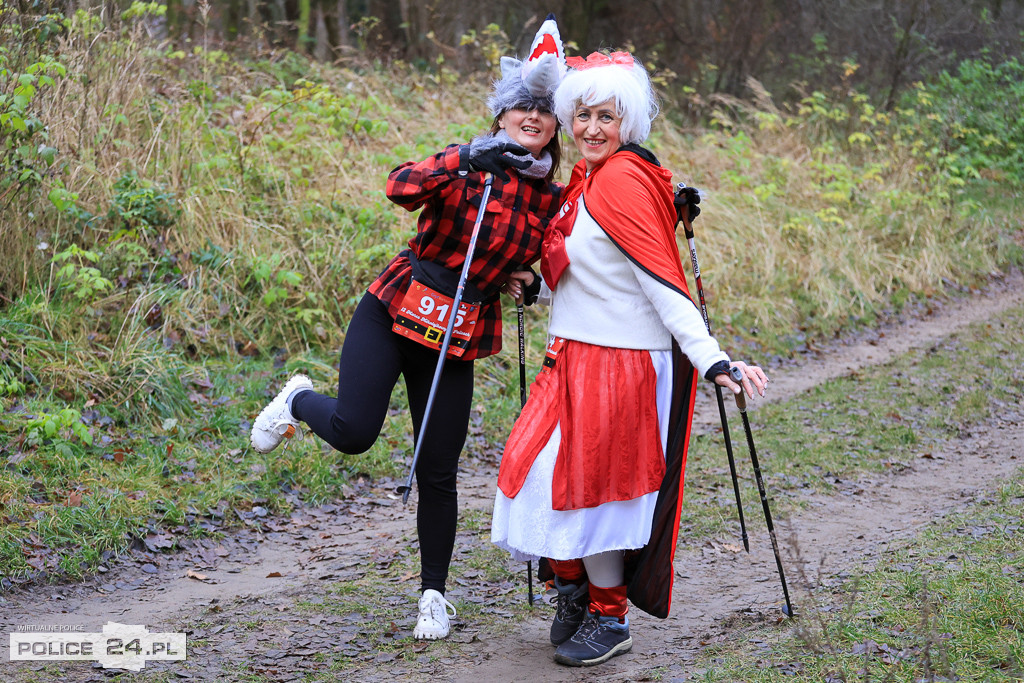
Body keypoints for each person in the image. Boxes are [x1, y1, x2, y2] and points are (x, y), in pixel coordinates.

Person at [249, 18, 567, 641]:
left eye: (545, 110)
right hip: (396, 310)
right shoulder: (468, 163)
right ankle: (297, 399)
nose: (533, 116)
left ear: (556, 126)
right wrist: (464, 157)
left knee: (438, 468)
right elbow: (399, 187)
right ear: (502, 115)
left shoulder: (548, 199)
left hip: (457, 333)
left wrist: (525, 284)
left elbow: (539, 266)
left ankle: (433, 596)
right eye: (522, 106)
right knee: (354, 431)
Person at [491, 51, 769, 667]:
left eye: (606, 117)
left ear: (629, 122)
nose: (592, 128)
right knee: (533, 471)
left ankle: (608, 617)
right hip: (570, 355)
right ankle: (573, 590)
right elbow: (590, 273)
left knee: (595, 492)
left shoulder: (620, 181)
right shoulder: (585, 182)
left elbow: (663, 285)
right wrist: (534, 286)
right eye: (582, 115)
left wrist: (714, 361)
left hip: (622, 364)